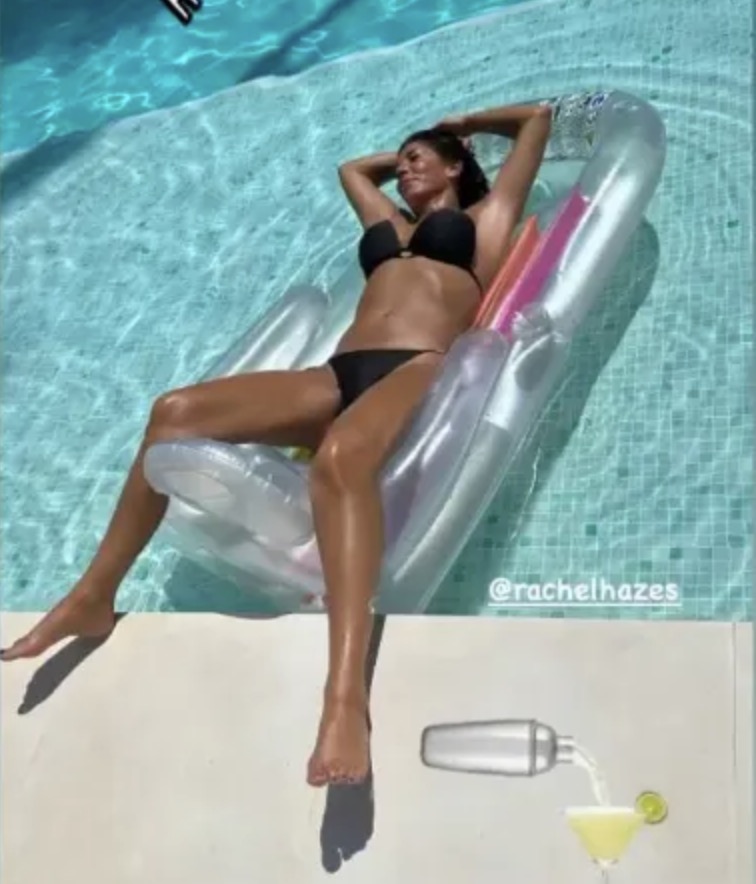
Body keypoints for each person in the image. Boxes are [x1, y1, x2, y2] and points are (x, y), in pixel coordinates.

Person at [1, 100, 552, 787]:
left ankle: (345, 699)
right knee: (172, 412)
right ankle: (92, 597)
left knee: (341, 461)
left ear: (454, 168)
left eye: (418, 160)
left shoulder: (486, 220)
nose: (405, 169)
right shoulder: (390, 227)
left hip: (416, 367)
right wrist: (411, 155)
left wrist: (458, 133)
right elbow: (352, 171)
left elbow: (535, 122)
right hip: (336, 374)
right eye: (403, 161)